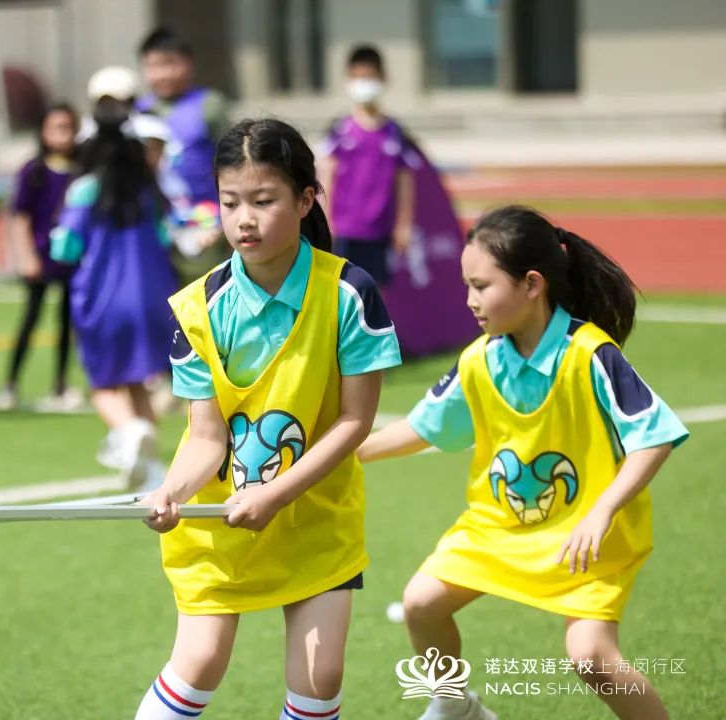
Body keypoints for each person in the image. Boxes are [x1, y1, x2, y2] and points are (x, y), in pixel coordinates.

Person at [357, 206, 689, 720]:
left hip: (587, 539)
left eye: (482, 286)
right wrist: (341, 455)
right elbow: (424, 427)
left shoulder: (590, 354)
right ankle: (455, 708)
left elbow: (654, 439)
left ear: (532, 284)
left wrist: (602, 511)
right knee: (422, 603)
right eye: (466, 285)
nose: (470, 301)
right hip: (499, 527)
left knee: (592, 658)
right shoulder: (480, 359)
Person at [136, 118, 402, 719]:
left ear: (306, 199)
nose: (243, 220)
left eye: (263, 200)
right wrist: (172, 491)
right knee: (199, 662)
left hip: (314, 517)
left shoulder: (350, 295)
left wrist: (278, 493)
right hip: (220, 522)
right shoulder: (197, 307)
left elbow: (354, 423)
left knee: (319, 675)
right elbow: (205, 437)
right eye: (230, 202)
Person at [49, 102, 179, 489]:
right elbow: (164, 237)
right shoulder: (147, 190)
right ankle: (152, 473)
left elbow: (65, 248)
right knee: (138, 382)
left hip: (102, 302)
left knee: (104, 386)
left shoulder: (86, 190)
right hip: (152, 300)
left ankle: (129, 429)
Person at [0, 102, 83, 413]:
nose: (62, 135)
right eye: (55, 128)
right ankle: (10, 384)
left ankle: (61, 383)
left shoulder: (82, 171)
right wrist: (27, 257)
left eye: (67, 127)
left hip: (73, 259)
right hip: (40, 256)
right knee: (30, 319)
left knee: (67, 323)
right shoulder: (32, 171)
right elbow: (20, 217)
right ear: (43, 132)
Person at [136, 27, 231, 280]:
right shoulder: (139, 109)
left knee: (206, 291)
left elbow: (232, 162)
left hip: (205, 220)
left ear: (189, 64)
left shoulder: (210, 104)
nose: (162, 74)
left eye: (170, 64)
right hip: (156, 221)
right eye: (153, 66)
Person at [318, 45, 414, 289]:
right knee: (339, 288)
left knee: (376, 290)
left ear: (383, 78)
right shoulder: (340, 129)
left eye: (369, 77)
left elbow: (404, 179)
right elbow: (326, 174)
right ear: (348, 80)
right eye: (358, 78)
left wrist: (403, 224)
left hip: (379, 231)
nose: (363, 84)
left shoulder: (394, 132)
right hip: (345, 229)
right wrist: (325, 220)